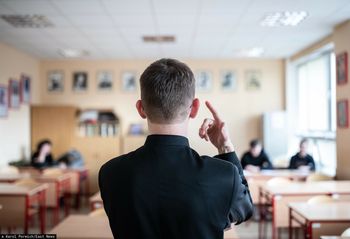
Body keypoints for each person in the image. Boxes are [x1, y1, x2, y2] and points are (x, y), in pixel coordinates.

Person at [99, 58, 253, 239]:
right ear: (194, 108)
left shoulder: (110, 172)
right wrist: (225, 147)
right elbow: (244, 210)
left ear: (141, 109)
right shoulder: (224, 174)